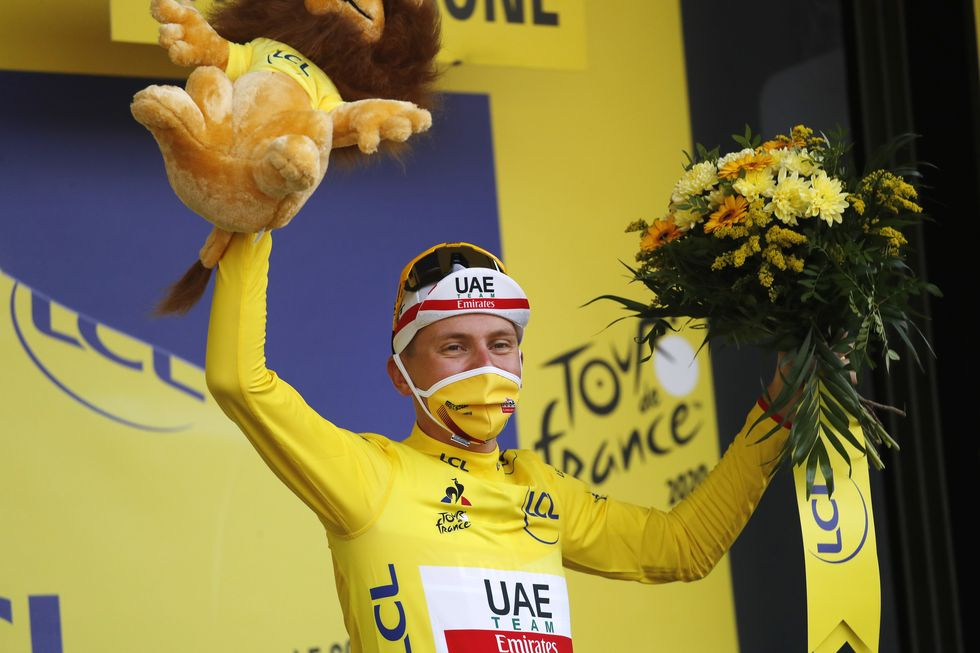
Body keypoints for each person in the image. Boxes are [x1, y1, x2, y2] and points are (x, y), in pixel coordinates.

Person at [205, 232, 791, 653]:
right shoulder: (371, 479)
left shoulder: (541, 489)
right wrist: (252, 225)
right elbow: (239, 381)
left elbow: (684, 547)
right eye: (455, 347)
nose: (485, 365)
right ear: (400, 375)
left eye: (501, 344)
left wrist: (784, 406)